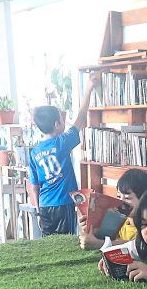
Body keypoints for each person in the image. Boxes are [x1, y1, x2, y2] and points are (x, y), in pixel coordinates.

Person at [27, 70, 102, 236]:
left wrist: (39, 211)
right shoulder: (62, 143)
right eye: (61, 119)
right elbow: (81, 119)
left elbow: (34, 186)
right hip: (64, 203)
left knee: (49, 245)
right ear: (57, 124)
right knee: (65, 242)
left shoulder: (34, 152)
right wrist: (89, 88)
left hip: (45, 205)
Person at [79, 167, 147, 250]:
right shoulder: (120, 221)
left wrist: (101, 244)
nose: (120, 202)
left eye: (127, 198)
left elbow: (138, 245)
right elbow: (108, 238)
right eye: (118, 196)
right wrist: (92, 228)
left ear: (145, 200)